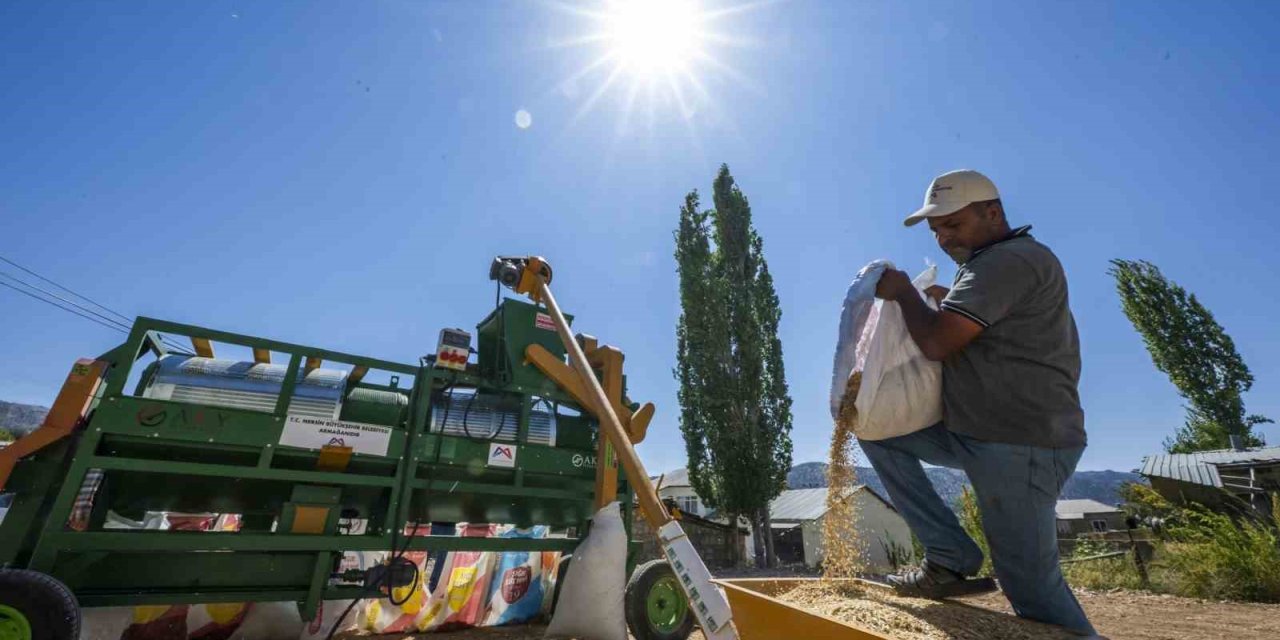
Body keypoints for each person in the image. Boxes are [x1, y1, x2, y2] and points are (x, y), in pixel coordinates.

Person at [862, 169, 1097, 636]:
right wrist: (943, 298)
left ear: (993, 212)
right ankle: (949, 556)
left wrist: (906, 291)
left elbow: (937, 343)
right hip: (979, 433)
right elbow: (991, 331)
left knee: (1032, 587)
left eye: (954, 224)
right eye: (937, 231)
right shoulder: (993, 265)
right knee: (877, 432)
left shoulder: (1006, 261)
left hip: (1020, 442)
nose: (945, 238)